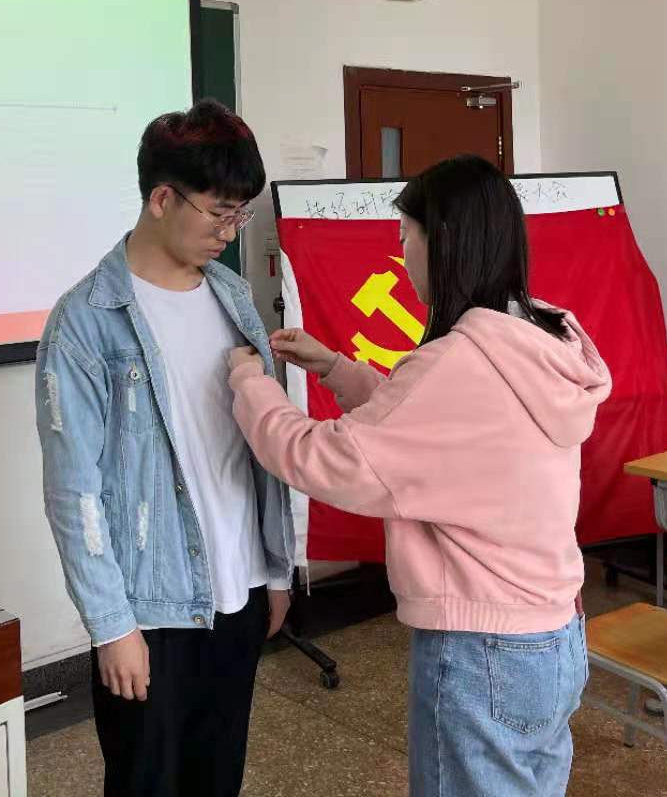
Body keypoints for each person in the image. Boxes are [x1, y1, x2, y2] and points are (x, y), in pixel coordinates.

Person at [227, 155, 611, 797]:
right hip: (553, 635)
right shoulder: (539, 335)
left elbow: (324, 458)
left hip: (484, 650)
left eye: (407, 238)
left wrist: (249, 383)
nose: (403, 258)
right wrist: (336, 368)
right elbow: (441, 431)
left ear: (446, 242)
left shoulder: (457, 364)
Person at [36, 99, 295, 797]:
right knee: (145, 781)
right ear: (161, 199)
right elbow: (73, 488)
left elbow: (257, 453)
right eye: (219, 214)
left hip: (239, 589)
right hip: (150, 610)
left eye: (240, 216)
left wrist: (274, 569)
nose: (229, 233)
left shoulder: (232, 295)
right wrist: (111, 626)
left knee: (218, 776)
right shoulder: (87, 321)